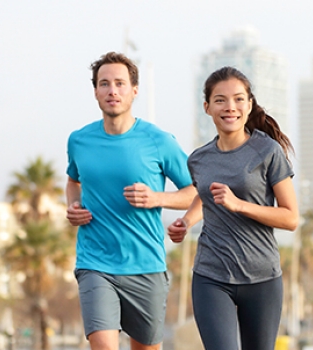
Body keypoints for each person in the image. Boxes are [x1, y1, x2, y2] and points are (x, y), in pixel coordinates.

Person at [66, 51, 195, 350]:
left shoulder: (159, 140)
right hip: (95, 262)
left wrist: (156, 198)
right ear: (95, 91)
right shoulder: (79, 140)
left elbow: (195, 190)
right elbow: (73, 181)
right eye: (104, 84)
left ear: (134, 91)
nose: (112, 90)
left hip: (146, 264)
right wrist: (73, 205)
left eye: (120, 83)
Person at [167, 66, 299, 350]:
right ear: (207, 107)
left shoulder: (267, 152)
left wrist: (239, 205)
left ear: (249, 105)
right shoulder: (200, 159)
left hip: (262, 278)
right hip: (211, 276)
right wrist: (187, 222)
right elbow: (204, 194)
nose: (230, 107)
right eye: (220, 100)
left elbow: (290, 218)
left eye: (239, 99)